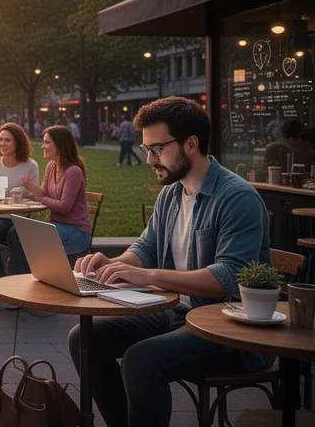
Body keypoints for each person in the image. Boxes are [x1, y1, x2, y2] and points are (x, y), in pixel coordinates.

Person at [70, 97, 272, 427]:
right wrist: (112, 264)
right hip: (177, 314)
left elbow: (230, 276)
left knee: (140, 360)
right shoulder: (171, 193)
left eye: (158, 148)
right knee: (83, 338)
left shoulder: (237, 197)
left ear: (191, 144)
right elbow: (146, 248)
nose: (149, 158)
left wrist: (145, 275)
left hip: (228, 327)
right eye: (147, 148)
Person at [18, 126, 92, 273]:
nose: (42, 146)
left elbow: (64, 206)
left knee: (30, 235)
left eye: (47, 142)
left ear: (59, 145)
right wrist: (26, 191)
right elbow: (44, 192)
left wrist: (41, 198)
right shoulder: (51, 166)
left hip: (76, 231)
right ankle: (20, 276)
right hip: (57, 226)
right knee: (18, 231)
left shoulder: (73, 171)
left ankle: (24, 276)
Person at [0, 122, 40, 306]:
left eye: (8, 140)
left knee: (16, 233)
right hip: (1, 215)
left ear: (18, 142)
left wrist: (24, 193)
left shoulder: (30, 165)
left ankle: (17, 287)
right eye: (1, 139)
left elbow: (36, 195)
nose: (3, 144)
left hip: (23, 216)